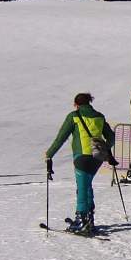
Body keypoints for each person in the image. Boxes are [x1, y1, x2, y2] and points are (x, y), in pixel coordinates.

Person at [46, 93, 116, 231]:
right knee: (87, 185)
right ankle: (89, 218)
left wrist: (49, 154)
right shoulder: (99, 116)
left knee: (82, 187)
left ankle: (81, 219)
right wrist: (105, 148)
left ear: (76, 104)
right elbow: (111, 137)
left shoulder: (74, 116)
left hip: (81, 157)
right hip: (97, 157)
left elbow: (61, 138)